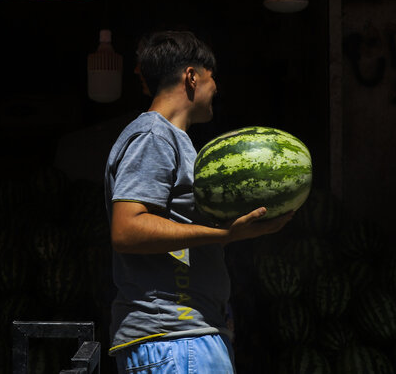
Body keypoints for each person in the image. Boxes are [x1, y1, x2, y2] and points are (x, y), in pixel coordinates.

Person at [104, 30, 292, 373]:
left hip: (185, 338)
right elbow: (126, 229)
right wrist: (224, 235)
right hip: (173, 339)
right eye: (211, 77)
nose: (216, 87)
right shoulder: (154, 135)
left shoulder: (176, 141)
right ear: (192, 76)